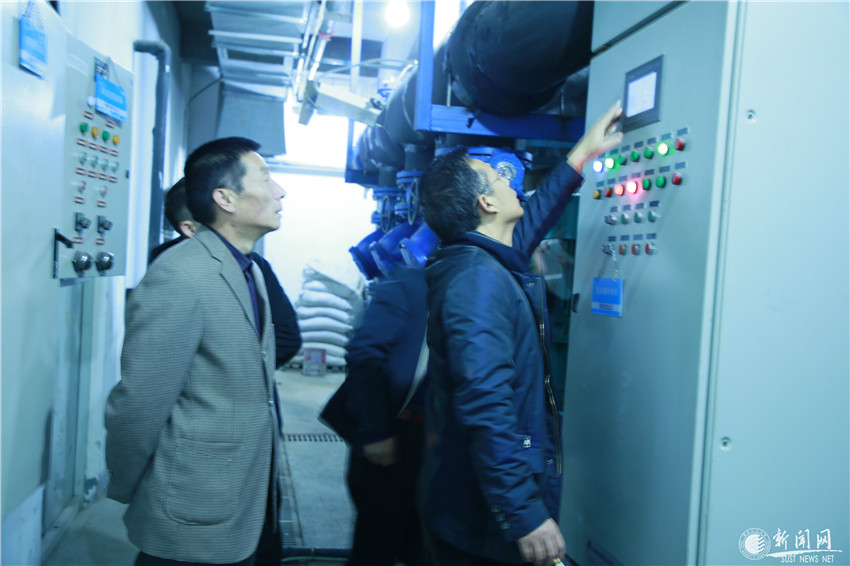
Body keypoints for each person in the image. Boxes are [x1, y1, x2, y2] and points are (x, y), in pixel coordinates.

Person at [416, 101, 624, 566]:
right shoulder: (477, 281)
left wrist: (580, 156)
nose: (510, 182)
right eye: (497, 178)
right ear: (486, 204)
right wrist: (524, 515)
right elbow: (485, 404)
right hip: (479, 524)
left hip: (475, 507)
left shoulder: (482, 260)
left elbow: (529, 224)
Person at [105, 137, 287, 566]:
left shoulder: (248, 270)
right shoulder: (180, 276)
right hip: (192, 500)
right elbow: (139, 403)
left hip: (240, 493)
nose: (280, 191)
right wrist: (129, 482)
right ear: (225, 199)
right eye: (265, 179)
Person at [320, 263, 431, 566]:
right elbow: (365, 357)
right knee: (378, 542)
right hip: (398, 436)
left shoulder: (479, 286)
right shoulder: (410, 286)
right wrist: (376, 432)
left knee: (422, 545)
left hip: (442, 442)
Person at [150, 178, 302, 367]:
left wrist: (239, 374)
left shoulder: (255, 267)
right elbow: (154, 358)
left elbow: (287, 338)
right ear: (190, 228)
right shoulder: (167, 271)